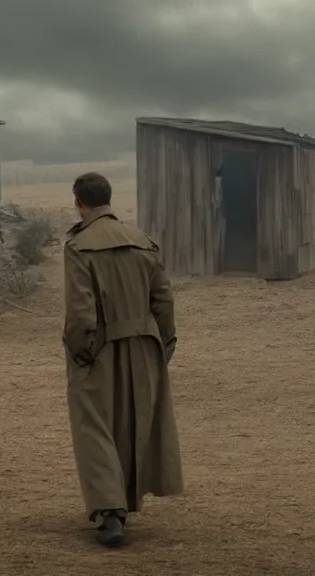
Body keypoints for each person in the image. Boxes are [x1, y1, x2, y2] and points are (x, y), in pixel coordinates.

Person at [62, 172, 183, 548]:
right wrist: (165, 343)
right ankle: (125, 504)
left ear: (79, 203)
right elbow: (163, 300)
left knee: (95, 427)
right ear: (108, 200)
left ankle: (111, 512)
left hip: (100, 348)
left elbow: (81, 313)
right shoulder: (143, 242)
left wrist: (80, 351)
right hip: (145, 346)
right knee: (133, 424)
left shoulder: (80, 246)